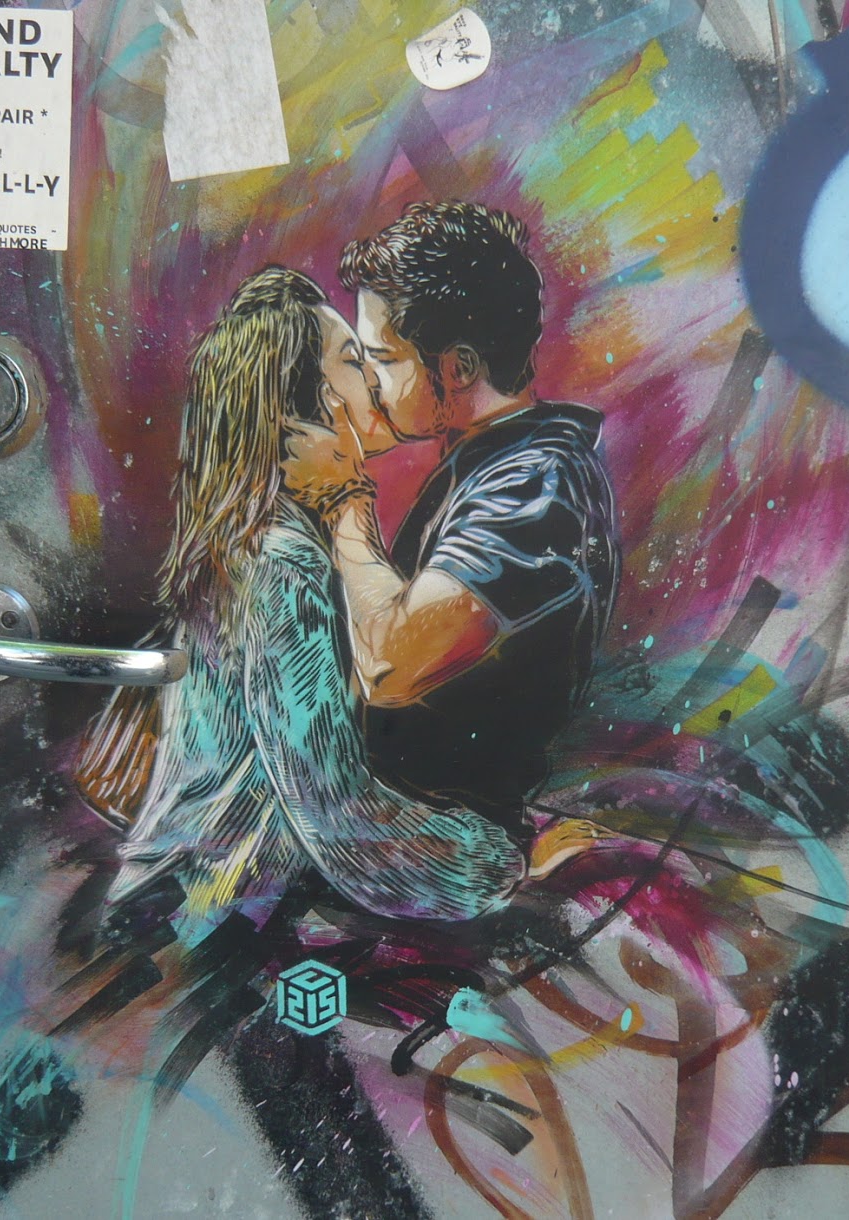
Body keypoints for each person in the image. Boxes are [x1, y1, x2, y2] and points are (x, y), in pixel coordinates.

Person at [76, 266, 525, 940]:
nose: (377, 381)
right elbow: (334, 811)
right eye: (355, 363)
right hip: (200, 928)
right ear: (302, 408)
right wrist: (501, 862)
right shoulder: (282, 562)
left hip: (209, 910)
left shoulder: (258, 537)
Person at [283, 202, 621, 852]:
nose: (370, 382)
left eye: (382, 359)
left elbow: (390, 665)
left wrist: (344, 496)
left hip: (448, 847)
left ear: (459, 368)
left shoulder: (534, 484)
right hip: (411, 828)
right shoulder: (489, 462)